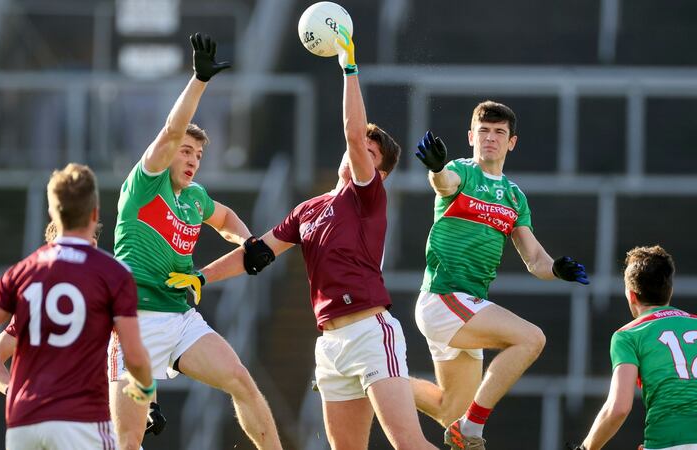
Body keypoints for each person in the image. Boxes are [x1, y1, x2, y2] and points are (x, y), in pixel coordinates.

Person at [167, 29, 438, 450]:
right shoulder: (308, 209)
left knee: (409, 444)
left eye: (368, 152)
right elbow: (255, 255)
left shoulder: (368, 196)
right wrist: (201, 277)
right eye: (356, 147)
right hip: (330, 343)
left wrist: (349, 67)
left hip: (370, 331)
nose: (356, 152)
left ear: (379, 172)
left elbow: (352, 131)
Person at [108, 32, 282, 450]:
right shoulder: (145, 184)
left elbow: (223, 217)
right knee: (129, 440)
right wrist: (199, 80)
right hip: (132, 325)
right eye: (185, 152)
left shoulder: (194, 199)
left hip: (180, 319)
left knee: (241, 380)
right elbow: (171, 130)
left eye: (198, 156)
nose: (191, 160)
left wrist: (247, 240)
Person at [0, 163, 155, 449]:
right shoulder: (113, 274)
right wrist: (145, 389)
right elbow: (137, 355)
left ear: (54, 214)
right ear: (94, 214)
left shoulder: (21, 273)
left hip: (25, 424)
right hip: (81, 422)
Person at [410, 100, 590, 449]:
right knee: (531, 339)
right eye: (483, 131)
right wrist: (435, 169)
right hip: (444, 298)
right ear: (471, 136)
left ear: (511, 142)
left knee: (450, 409)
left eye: (499, 132)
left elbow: (535, 259)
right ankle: (473, 427)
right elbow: (444, 184)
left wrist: (556, 269)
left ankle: (362, 375)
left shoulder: (514, 196)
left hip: (466, 306)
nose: (490, 138)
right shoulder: (462, 171)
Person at [0, 221, 167, 437]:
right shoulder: (38, 302)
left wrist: (150, 404)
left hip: (102, 424)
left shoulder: (110, 296)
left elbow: (135, 356)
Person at [570, 245, 697, 450]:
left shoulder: (628, 335)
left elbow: (618, 408)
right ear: (670, 290)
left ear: (631, 295)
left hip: (668, 440)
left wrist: (585, 448)